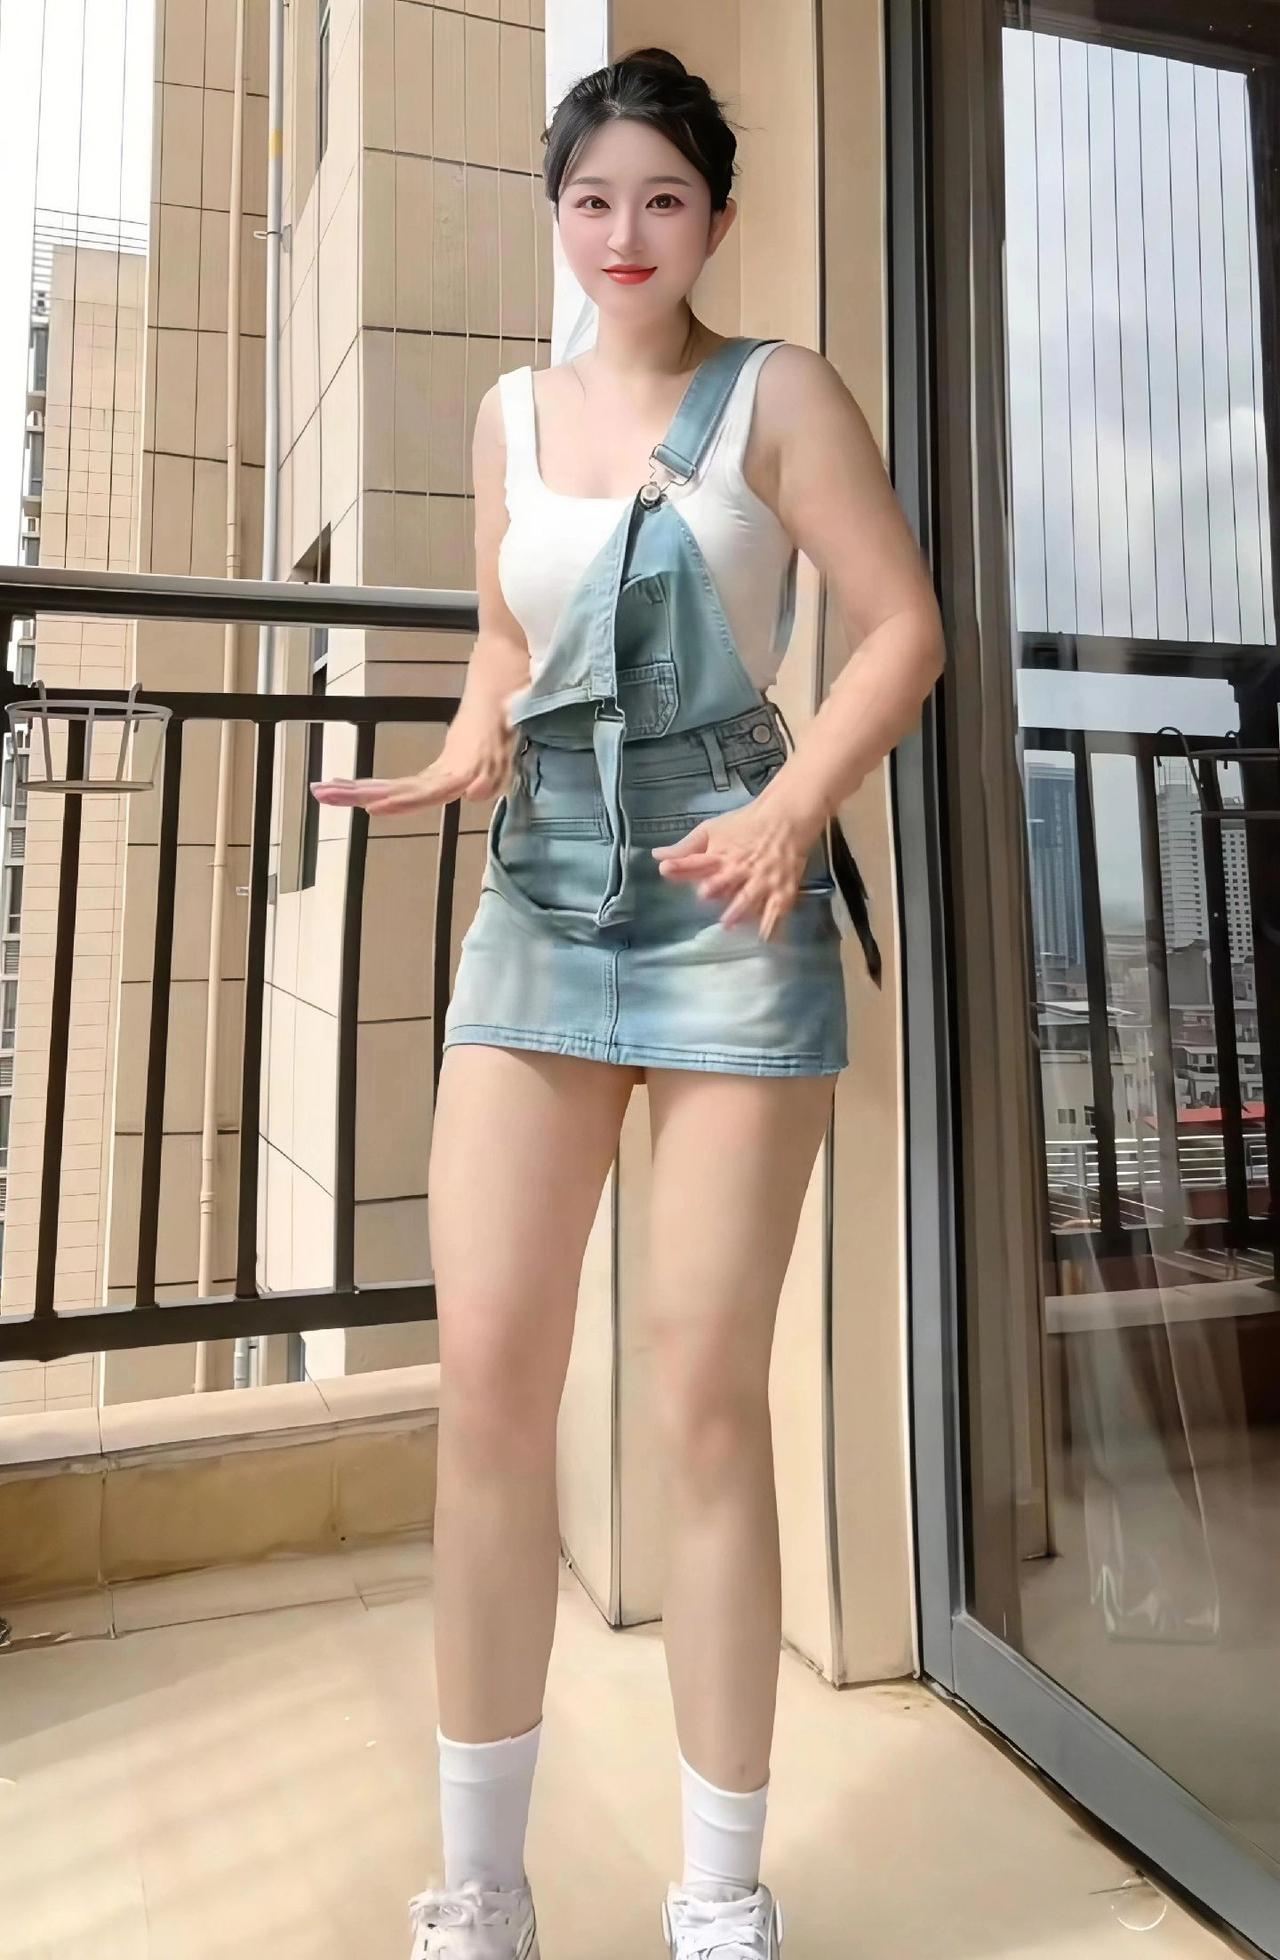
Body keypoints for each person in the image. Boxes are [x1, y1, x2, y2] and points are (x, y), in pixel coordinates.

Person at [315, 47, 944, 1960]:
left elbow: (902, 626)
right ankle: (481, 1890)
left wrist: (790, 807)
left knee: (703, 1400)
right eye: (593, 199)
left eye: (663, 199)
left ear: (716, 221)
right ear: (559, 215)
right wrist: (459, 755)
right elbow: (508, 643)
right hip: (537, 905)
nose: (625, 233)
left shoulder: (782, 395)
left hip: (730, 906)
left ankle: (721, 1894)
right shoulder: (507, 415)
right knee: (491, 1393)